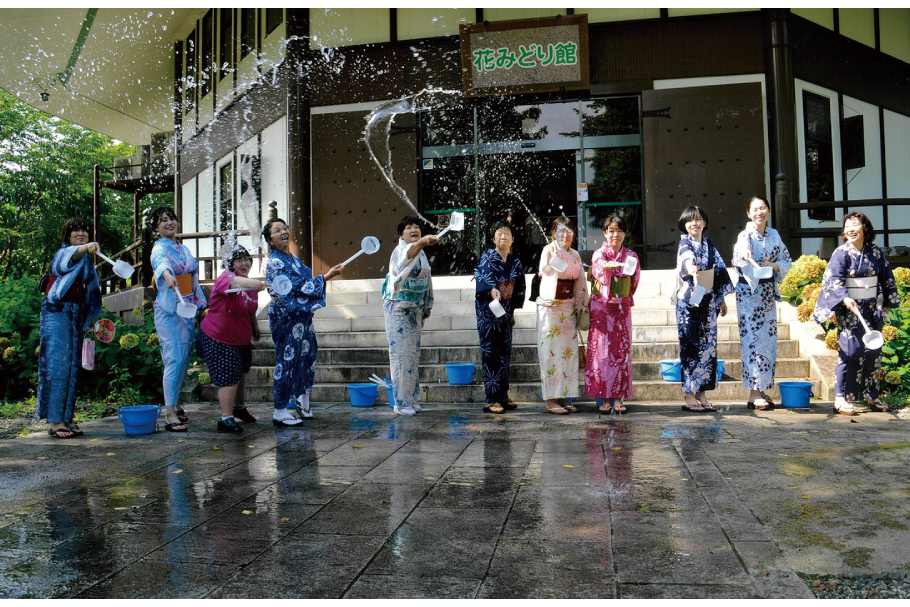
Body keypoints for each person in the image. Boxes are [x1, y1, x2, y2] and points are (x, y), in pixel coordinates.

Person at [812, 212, 899, 415]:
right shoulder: (841, 253)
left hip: (873, 310)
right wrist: (844, 297)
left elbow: (887, 277)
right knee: (850, 352)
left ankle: (871, 395)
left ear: (865, 228)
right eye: (847, 226)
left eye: (855, 225)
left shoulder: (876, 253)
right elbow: (833, 279)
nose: (851, 229)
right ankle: (841, 397)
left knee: (873, 353)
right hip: (850, 311)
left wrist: (886, 303)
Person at [263, 217, 344, 426]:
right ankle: (280, 410)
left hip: (302, 317)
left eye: (285, 228)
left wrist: (323, 278)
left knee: (308, 355)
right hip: (285, 316)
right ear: (270, 241)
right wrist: (325, 277)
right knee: (287, 359)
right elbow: (295, 286)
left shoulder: (294, 259)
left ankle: (302, 398)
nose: (283, 232)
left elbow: (304, 281)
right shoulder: (275, 261)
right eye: (277, 230)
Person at [37, 218, 103, 438]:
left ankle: (65, 418)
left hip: (75, 314)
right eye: (75, 231)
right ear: (67, 235)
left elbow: (90, 291)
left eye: (84, 230)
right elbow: (62, 265)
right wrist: (85, 247)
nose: (81, 233)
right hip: (56, 311)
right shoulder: (64, 252)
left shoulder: (86, 260)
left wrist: (90, 317)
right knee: (59, 365)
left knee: (73, 367)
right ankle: (55, 422)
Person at [196, 245, 265, 433]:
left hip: (240, 338)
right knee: (229, 374)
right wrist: (256, 283)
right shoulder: (225, 279)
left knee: (240, 372)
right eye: (239, 260)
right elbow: (237, 283)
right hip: (218, 337)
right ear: (230, 264)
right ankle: (225, 418)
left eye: (247, 259)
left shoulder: (249, 284)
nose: (244, 263)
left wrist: (255, 326)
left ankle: (239, 408)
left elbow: (250, 309)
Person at [149, 206, 207, 432]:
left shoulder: (183, 249)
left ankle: (176, 403)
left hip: (186, 308)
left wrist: (202, 305)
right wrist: (167, 275)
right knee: (173, 358)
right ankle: (169, 412)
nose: (169, 223)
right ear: (156, 227)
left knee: (183, 358)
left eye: (171, 218)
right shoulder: (158, 249)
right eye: (163, 220)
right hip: (169, 310)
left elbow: (193, 279)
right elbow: (160, 264)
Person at [732, 196, 792, 411]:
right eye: (755, 209)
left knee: (768, 344)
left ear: (769, 211)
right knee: (752, 342)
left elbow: (786, 260)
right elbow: (740, 252)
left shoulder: (774, 235)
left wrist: (774, 265)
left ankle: (763, 388)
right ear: (748, 213)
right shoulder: (744, 235)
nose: (760, 212)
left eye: (763, 208)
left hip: (766, 295)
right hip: (749, 295)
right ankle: (753, 392)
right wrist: (745, 253)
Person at [675, 206, 734, 412]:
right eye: (690, 220)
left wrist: (722, 299)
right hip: (689, 304)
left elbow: (719, 269)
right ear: (684, 224)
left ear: (705, 223)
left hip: (708, 302)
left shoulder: (709, 244)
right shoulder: (684, 243)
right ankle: (690, 394)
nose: (695, 224)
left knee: (708, 349)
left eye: (699, 219)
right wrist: (691, 268)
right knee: (690, 348)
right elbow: (686, 257)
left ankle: (703, 393)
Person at [585, 214, 641, 414]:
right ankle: (604, 397)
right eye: (611, 231)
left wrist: (625, 296)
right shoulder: (599, 254)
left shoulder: (632, 256)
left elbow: (633, 283)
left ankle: (618, 396)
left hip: (621, 309)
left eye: (619, 230)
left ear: (625, 234)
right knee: (601, 353)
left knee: (620, 352)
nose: (615, 235)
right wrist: (608, 269)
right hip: (601, 309)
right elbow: (598, 269)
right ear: (605, 233)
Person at [382, 216, 437, 416]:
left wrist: (428, 302)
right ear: (401, 235)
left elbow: (428, 279)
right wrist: (422, 241)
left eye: (416, 227)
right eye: (408, 228)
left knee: (413, 355)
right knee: (400, 356)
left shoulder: (422, 253)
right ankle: (400, 402)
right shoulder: (401, 250)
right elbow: (406, 258)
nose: (414, 230)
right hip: (397, 307)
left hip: (415, 308)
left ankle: (412, 399)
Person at [537, 216, 587, 414]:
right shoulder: (548, 250)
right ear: (553, 233)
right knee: (550, 352)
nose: (565, 235)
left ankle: (565, 397)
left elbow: (580, 281)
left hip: (568, 309)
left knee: (568, 353)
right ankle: (550, 400)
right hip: (551, 308)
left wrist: (582, 305)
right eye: (561, 231)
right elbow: (545, 271)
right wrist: (556, 260)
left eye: (569, 231)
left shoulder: (575, 254)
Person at [474, 221, 526, 414]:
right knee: (490, 354)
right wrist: (492, 290)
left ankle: (503, 396)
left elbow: (519, 287)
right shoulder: (486, 258)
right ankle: (492, 398)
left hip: (505, 313)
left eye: (507, 233)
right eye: (499, 233)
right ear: (493, 238)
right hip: (489, 313)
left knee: (505, 354)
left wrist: (512, 311)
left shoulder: (515, 262)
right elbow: (484, 280)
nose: (503, 236)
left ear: (512, 239)